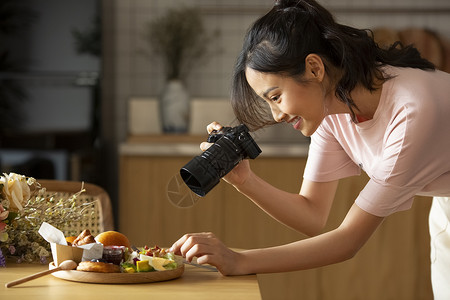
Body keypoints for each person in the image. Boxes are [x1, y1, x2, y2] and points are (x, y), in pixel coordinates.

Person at [170, 0, 450, 298]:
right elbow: (312, 216)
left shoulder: (410, 113)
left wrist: (238, 260)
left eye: (275, 96)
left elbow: (348, 241)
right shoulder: (332, 107)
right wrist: (245, 181)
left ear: (314, 68)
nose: (276, 115)